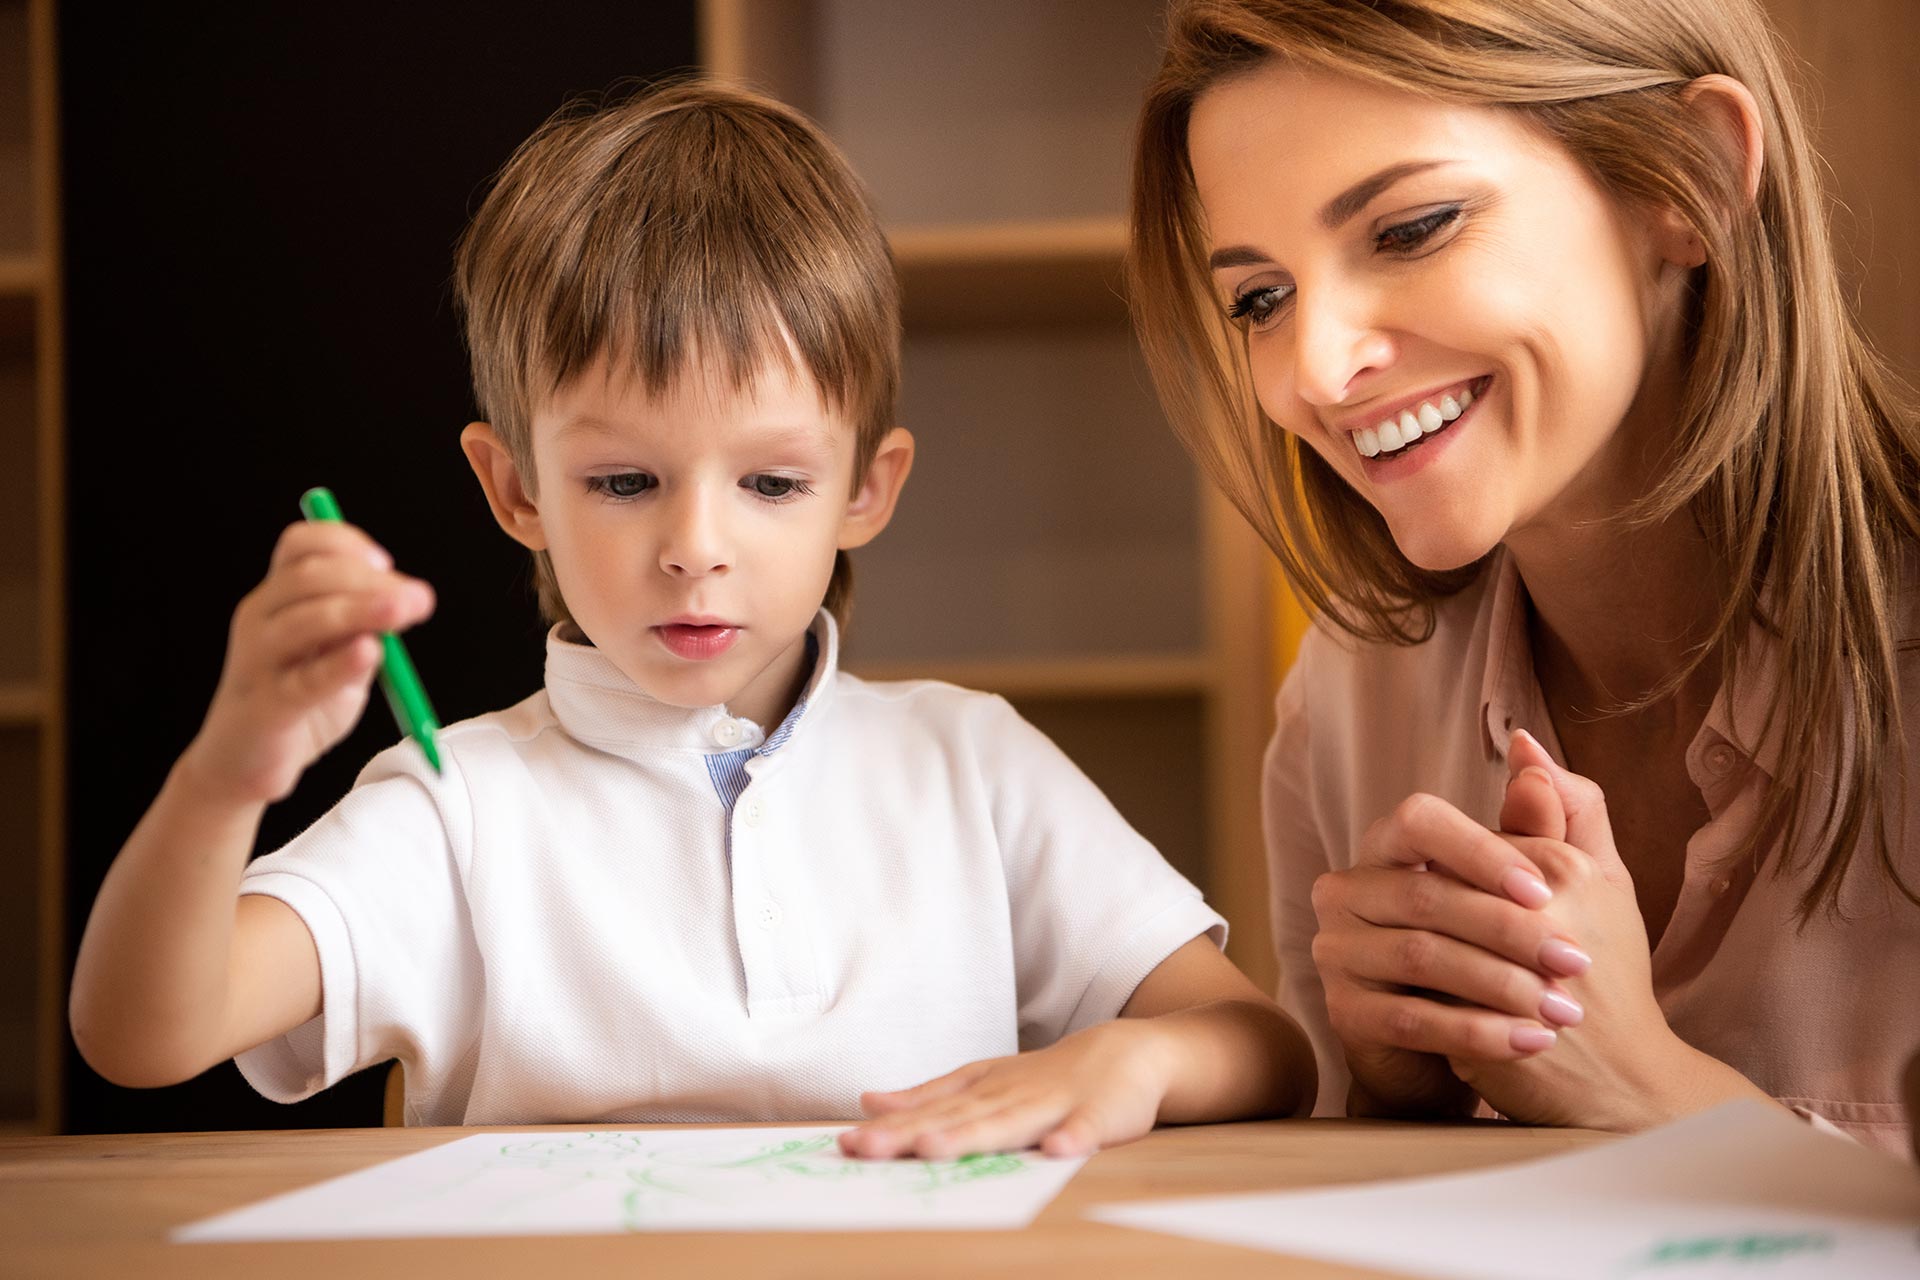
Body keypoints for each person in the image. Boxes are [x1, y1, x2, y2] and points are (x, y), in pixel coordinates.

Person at [69, 79, 1316, 1157]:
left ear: (866, 491)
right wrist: (228, 775)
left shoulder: (972, 766)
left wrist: (1134, 1065)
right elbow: (142, 1034)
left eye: (771, 483)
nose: (696, 548)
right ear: (516, 490)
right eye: (625, 481)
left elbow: (1263, 1045)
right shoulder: (459, 804)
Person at [1128, 0, 1918, 1154]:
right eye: (1261, 298)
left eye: (1411, 228)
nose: (1318, 367)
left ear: (1687, 180)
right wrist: (1404, 1102)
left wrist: (1647, 1084)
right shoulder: (1349, 701)